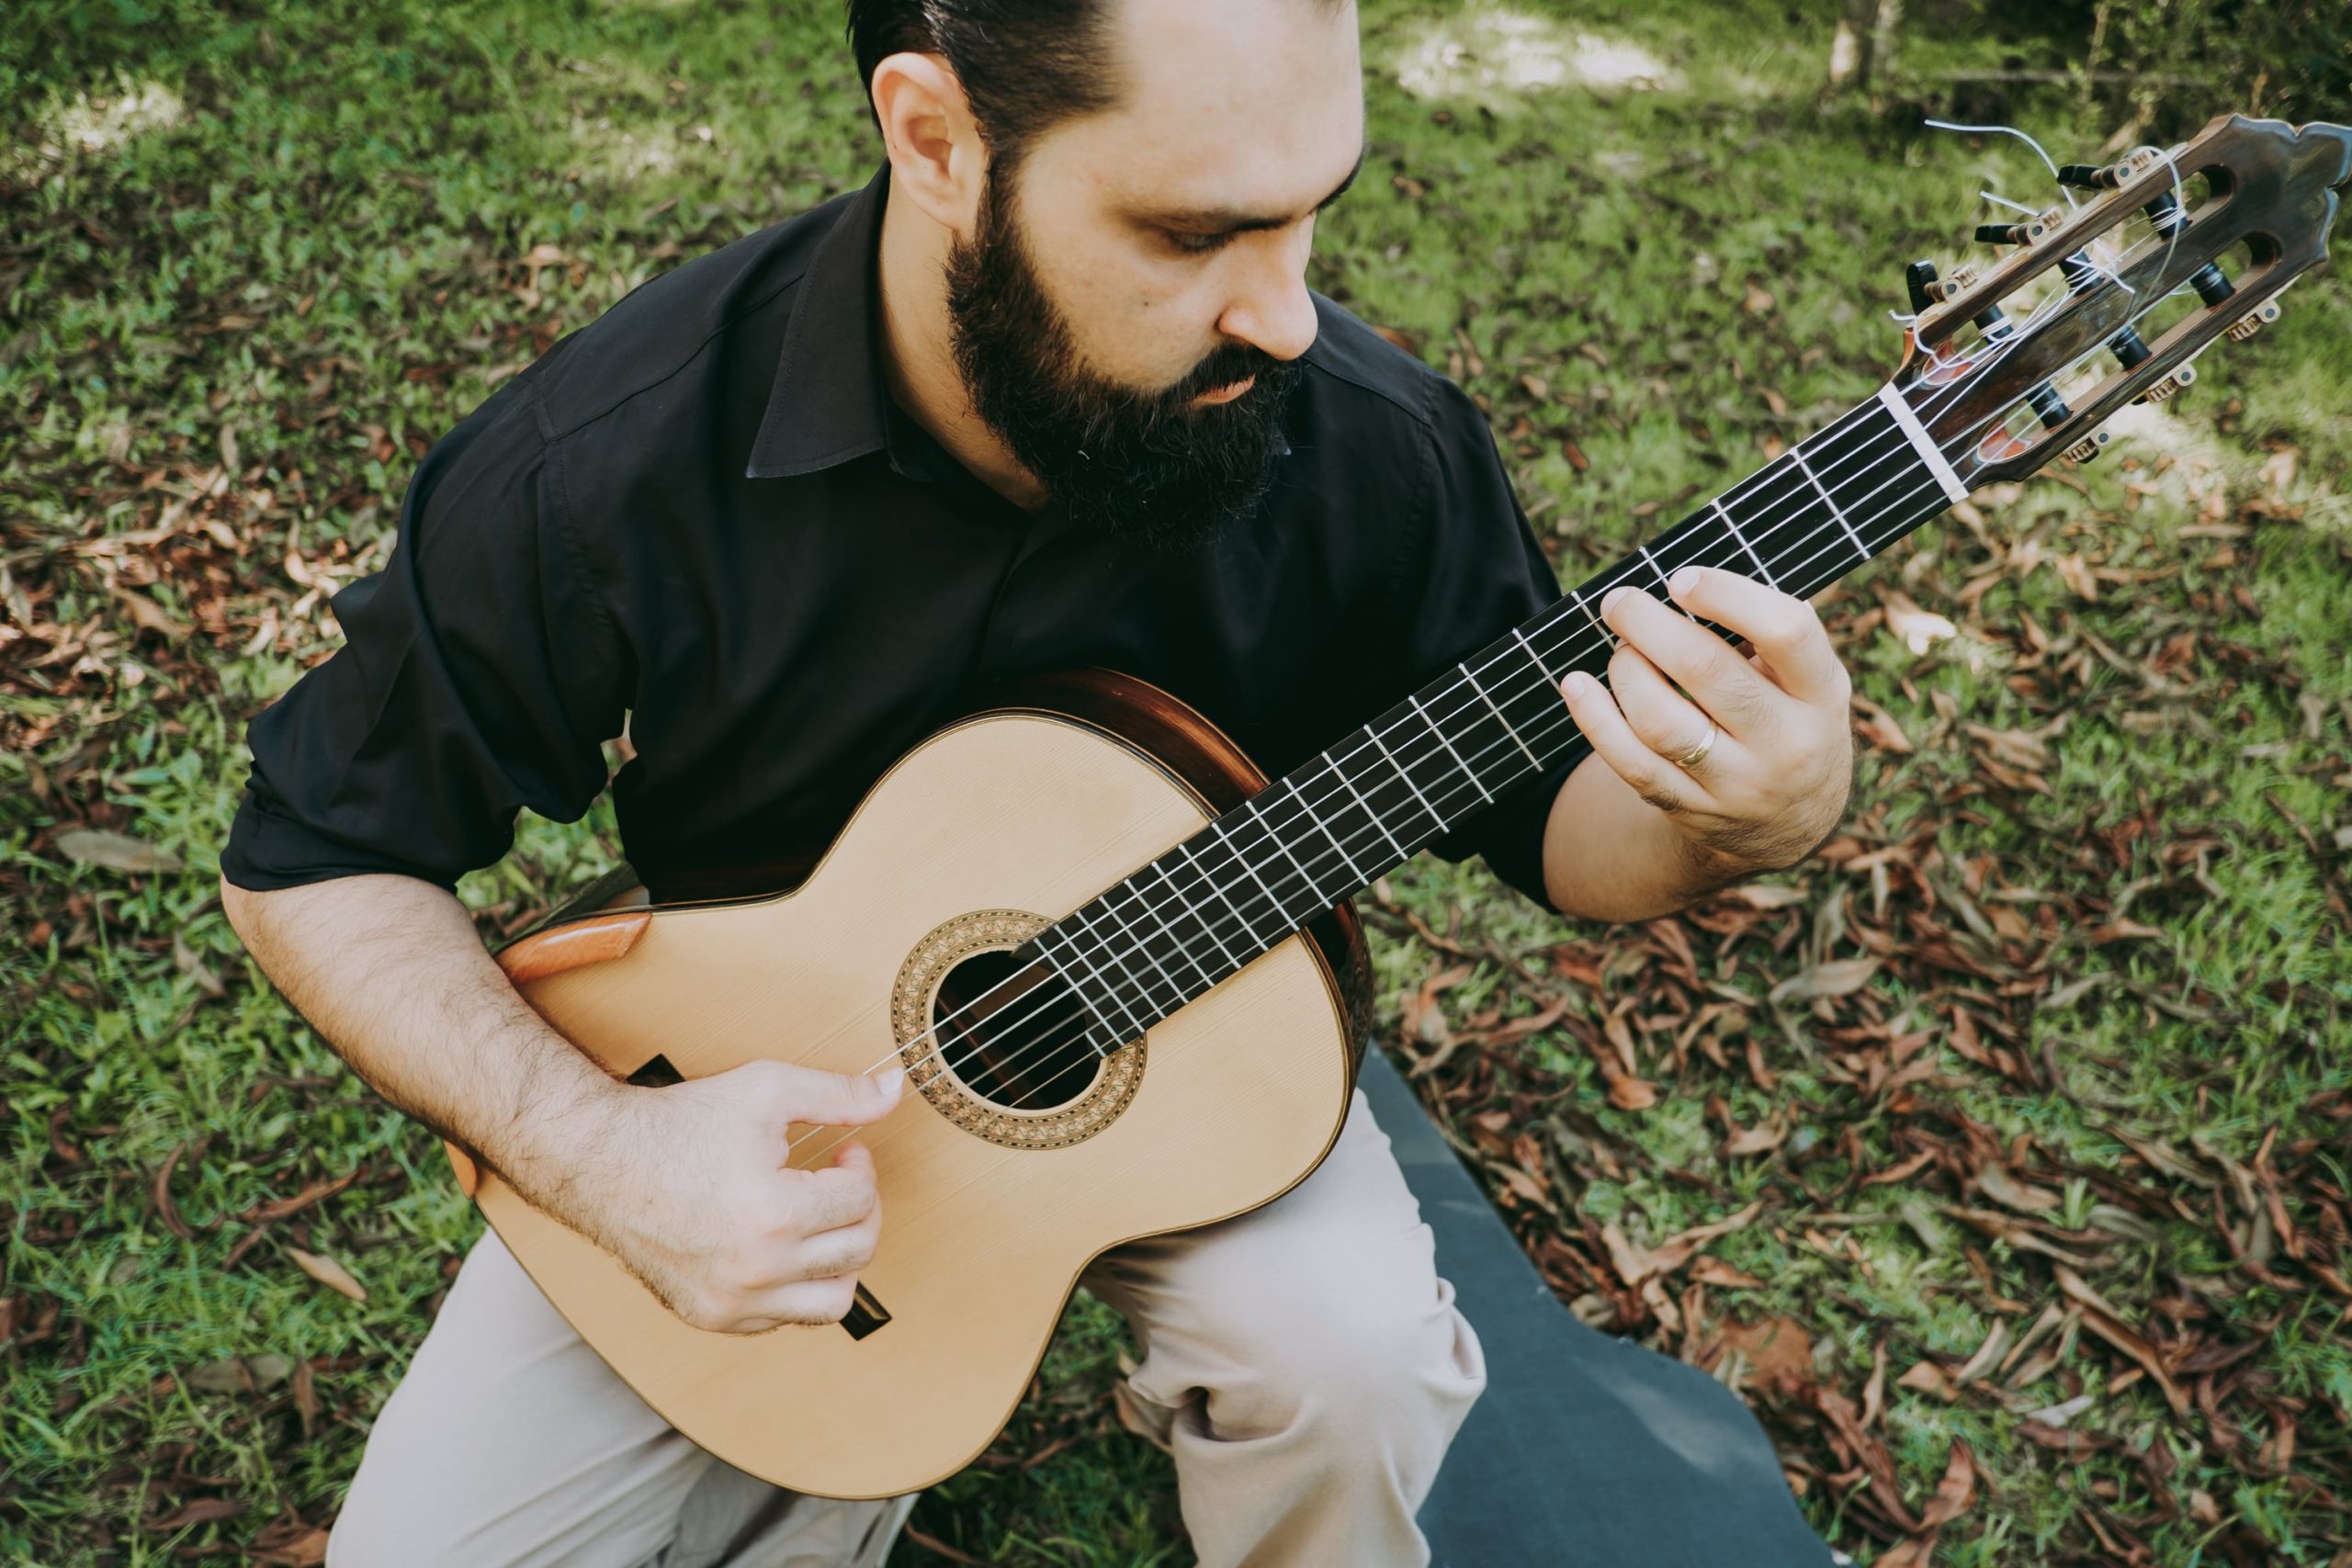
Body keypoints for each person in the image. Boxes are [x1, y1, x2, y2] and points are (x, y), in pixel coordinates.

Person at [217, 0, 1857, 1562]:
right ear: (936, 140)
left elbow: (1553, 824)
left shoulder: (1373, 449)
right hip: (730, 1098)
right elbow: (314, 856)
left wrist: (1740, 819)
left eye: (1310, 215)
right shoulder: (617, 461)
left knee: (1347, 1361)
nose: (1287, 313)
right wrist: (606, 1160)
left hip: (1205, 1045)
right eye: (1193, 232)